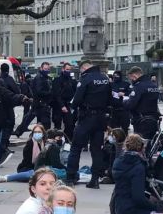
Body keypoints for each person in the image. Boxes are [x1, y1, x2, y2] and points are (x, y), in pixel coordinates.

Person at [65, 61, 112, 189]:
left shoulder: (86, 79)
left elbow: (77, 99)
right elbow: (109, 99)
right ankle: (95, 179)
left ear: (84, 68)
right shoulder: (105, 78)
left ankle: (70, 177)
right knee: (96, 149)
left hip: (87, 117)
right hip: (101, 118)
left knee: (76, 148)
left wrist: (72, 107)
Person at [112, 133, 162, 214]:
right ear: (141, 147)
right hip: (131, 211)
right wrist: (156, 208)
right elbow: (138, 197)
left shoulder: (118, 162)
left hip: (117, 210)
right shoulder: (138, 167)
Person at [125, 65, 161, 140]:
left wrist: (124, 102)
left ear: (134, 75)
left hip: (141, 121)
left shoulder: (139, 86)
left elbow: (131, 104)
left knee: (140, 144)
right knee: (152, 143)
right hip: (154, 120)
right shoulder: (153, 85)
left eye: (131, 77)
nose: (131, 79)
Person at [0, 62, 23, 163]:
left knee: (2, 129)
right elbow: (17, 91)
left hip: (0, 108)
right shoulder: (9, 79)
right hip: (8, 107)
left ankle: (3, 148)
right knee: (8, 127)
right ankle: (3, 148)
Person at [52, 62, 77, 137]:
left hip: (69, 105)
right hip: (58, 106)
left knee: (70, 125)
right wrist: (62, 105)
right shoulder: (57, 80)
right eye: (67, 69)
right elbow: (56, 94)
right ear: (63, 69)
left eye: (69, 70)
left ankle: (67, 140)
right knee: (57, 125)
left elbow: (75, 93)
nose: (68, 71)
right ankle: (57, 141)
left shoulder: (72, 81)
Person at [30, 61, 54, 127]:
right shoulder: (40, 78)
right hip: (41, 104)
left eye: (48, 69)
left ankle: (19, 131)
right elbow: (39, 91)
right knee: (44, 123)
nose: (47, 70)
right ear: (41, 68)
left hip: (42, 103)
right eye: (45, 69)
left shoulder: (44, 77)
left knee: (40, 122)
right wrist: (49, 93)